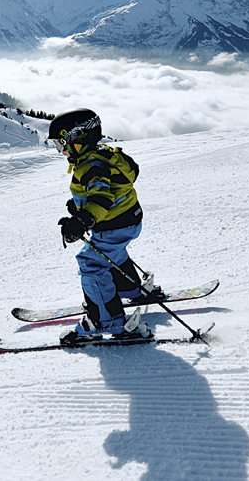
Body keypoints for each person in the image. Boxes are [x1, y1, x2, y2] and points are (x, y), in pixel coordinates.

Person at [50, 108, 164, 345]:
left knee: (91, 263)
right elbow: (110, 187)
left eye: (62, 145)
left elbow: (102, 197)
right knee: (111, 253)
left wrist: (83, 220)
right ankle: (131, 290)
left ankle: (107, 320)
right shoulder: (103, 155)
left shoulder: (92, 166)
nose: (61, 151)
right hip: (127, 220)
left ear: (78, 139)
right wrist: (80, 209)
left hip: (114, 225)